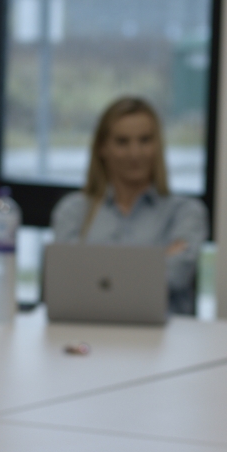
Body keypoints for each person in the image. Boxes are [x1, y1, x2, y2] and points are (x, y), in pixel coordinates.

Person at [51, 97, 207, 315]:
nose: (135, 153)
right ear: (103, 148)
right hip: (90, 333)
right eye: (122, 142)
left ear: (158, 146)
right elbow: (67, 281)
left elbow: (175, 277)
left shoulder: (185, 212)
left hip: (164, 342)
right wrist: (159, 259)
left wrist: (99, 276)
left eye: (145, 140)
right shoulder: (73, 211)